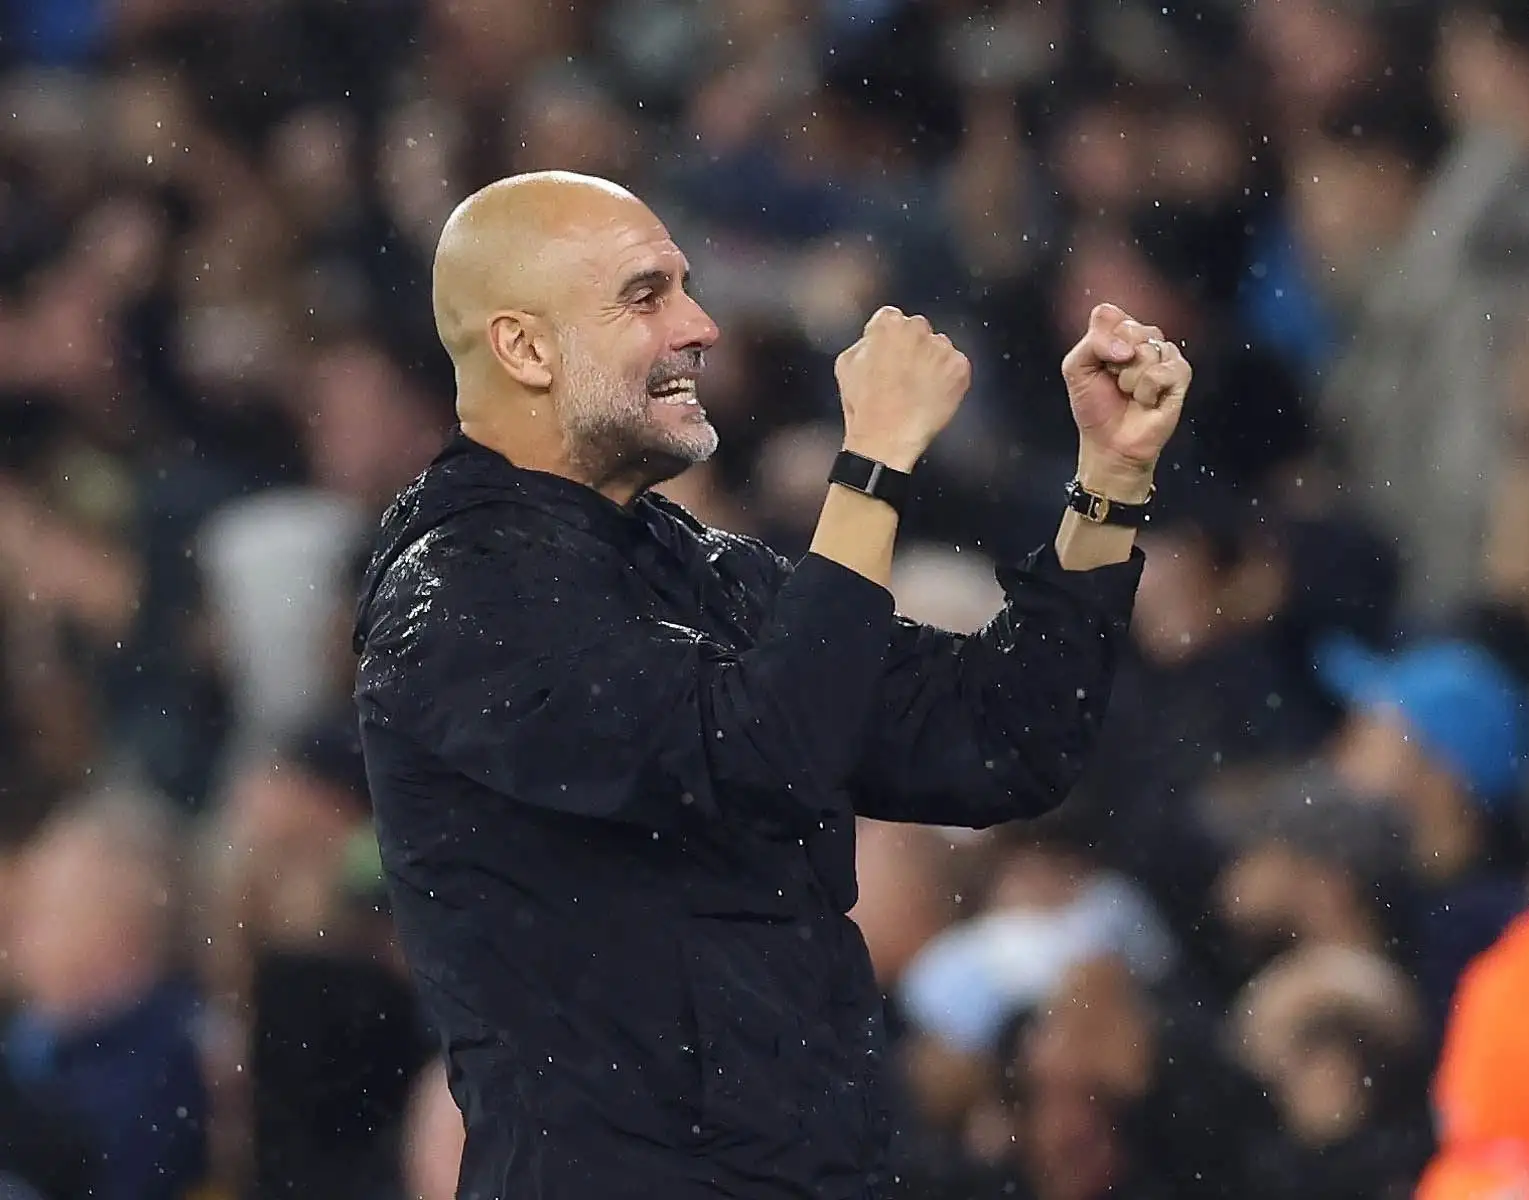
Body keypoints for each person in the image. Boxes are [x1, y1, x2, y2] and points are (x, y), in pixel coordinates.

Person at [351, 170, 1191, 1200]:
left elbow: (1003, 740)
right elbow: (759, 760)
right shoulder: (459, 590)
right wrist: (872, 463)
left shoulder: (698, 569)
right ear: (525, 348)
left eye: (686, 287)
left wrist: (1108, 485)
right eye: (645, 296)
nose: (699, 326)